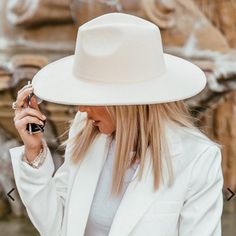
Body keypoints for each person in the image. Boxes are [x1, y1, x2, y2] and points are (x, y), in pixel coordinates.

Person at [9, 13, 223, 236]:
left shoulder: (198, 158)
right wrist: (34, 152)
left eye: (91, 96)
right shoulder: (86, 132)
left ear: (125, 102)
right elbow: (57, 226)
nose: (81, 108)